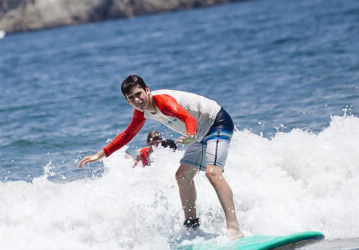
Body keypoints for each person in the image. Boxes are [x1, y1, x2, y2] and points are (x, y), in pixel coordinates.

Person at [79, 75, 244, 239]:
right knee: (182, 176)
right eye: (131, 98)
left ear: (147, 90)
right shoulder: (141, 112)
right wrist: (99, 155)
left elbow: (188, 118)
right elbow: (127, 135)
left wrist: (190, 134)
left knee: (212, 173)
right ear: (127, 101)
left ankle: (234, 229)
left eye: (138, 94)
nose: (137, 100)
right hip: (196, 133)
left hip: (216, 122)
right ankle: (192, 229)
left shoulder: (162, 101)